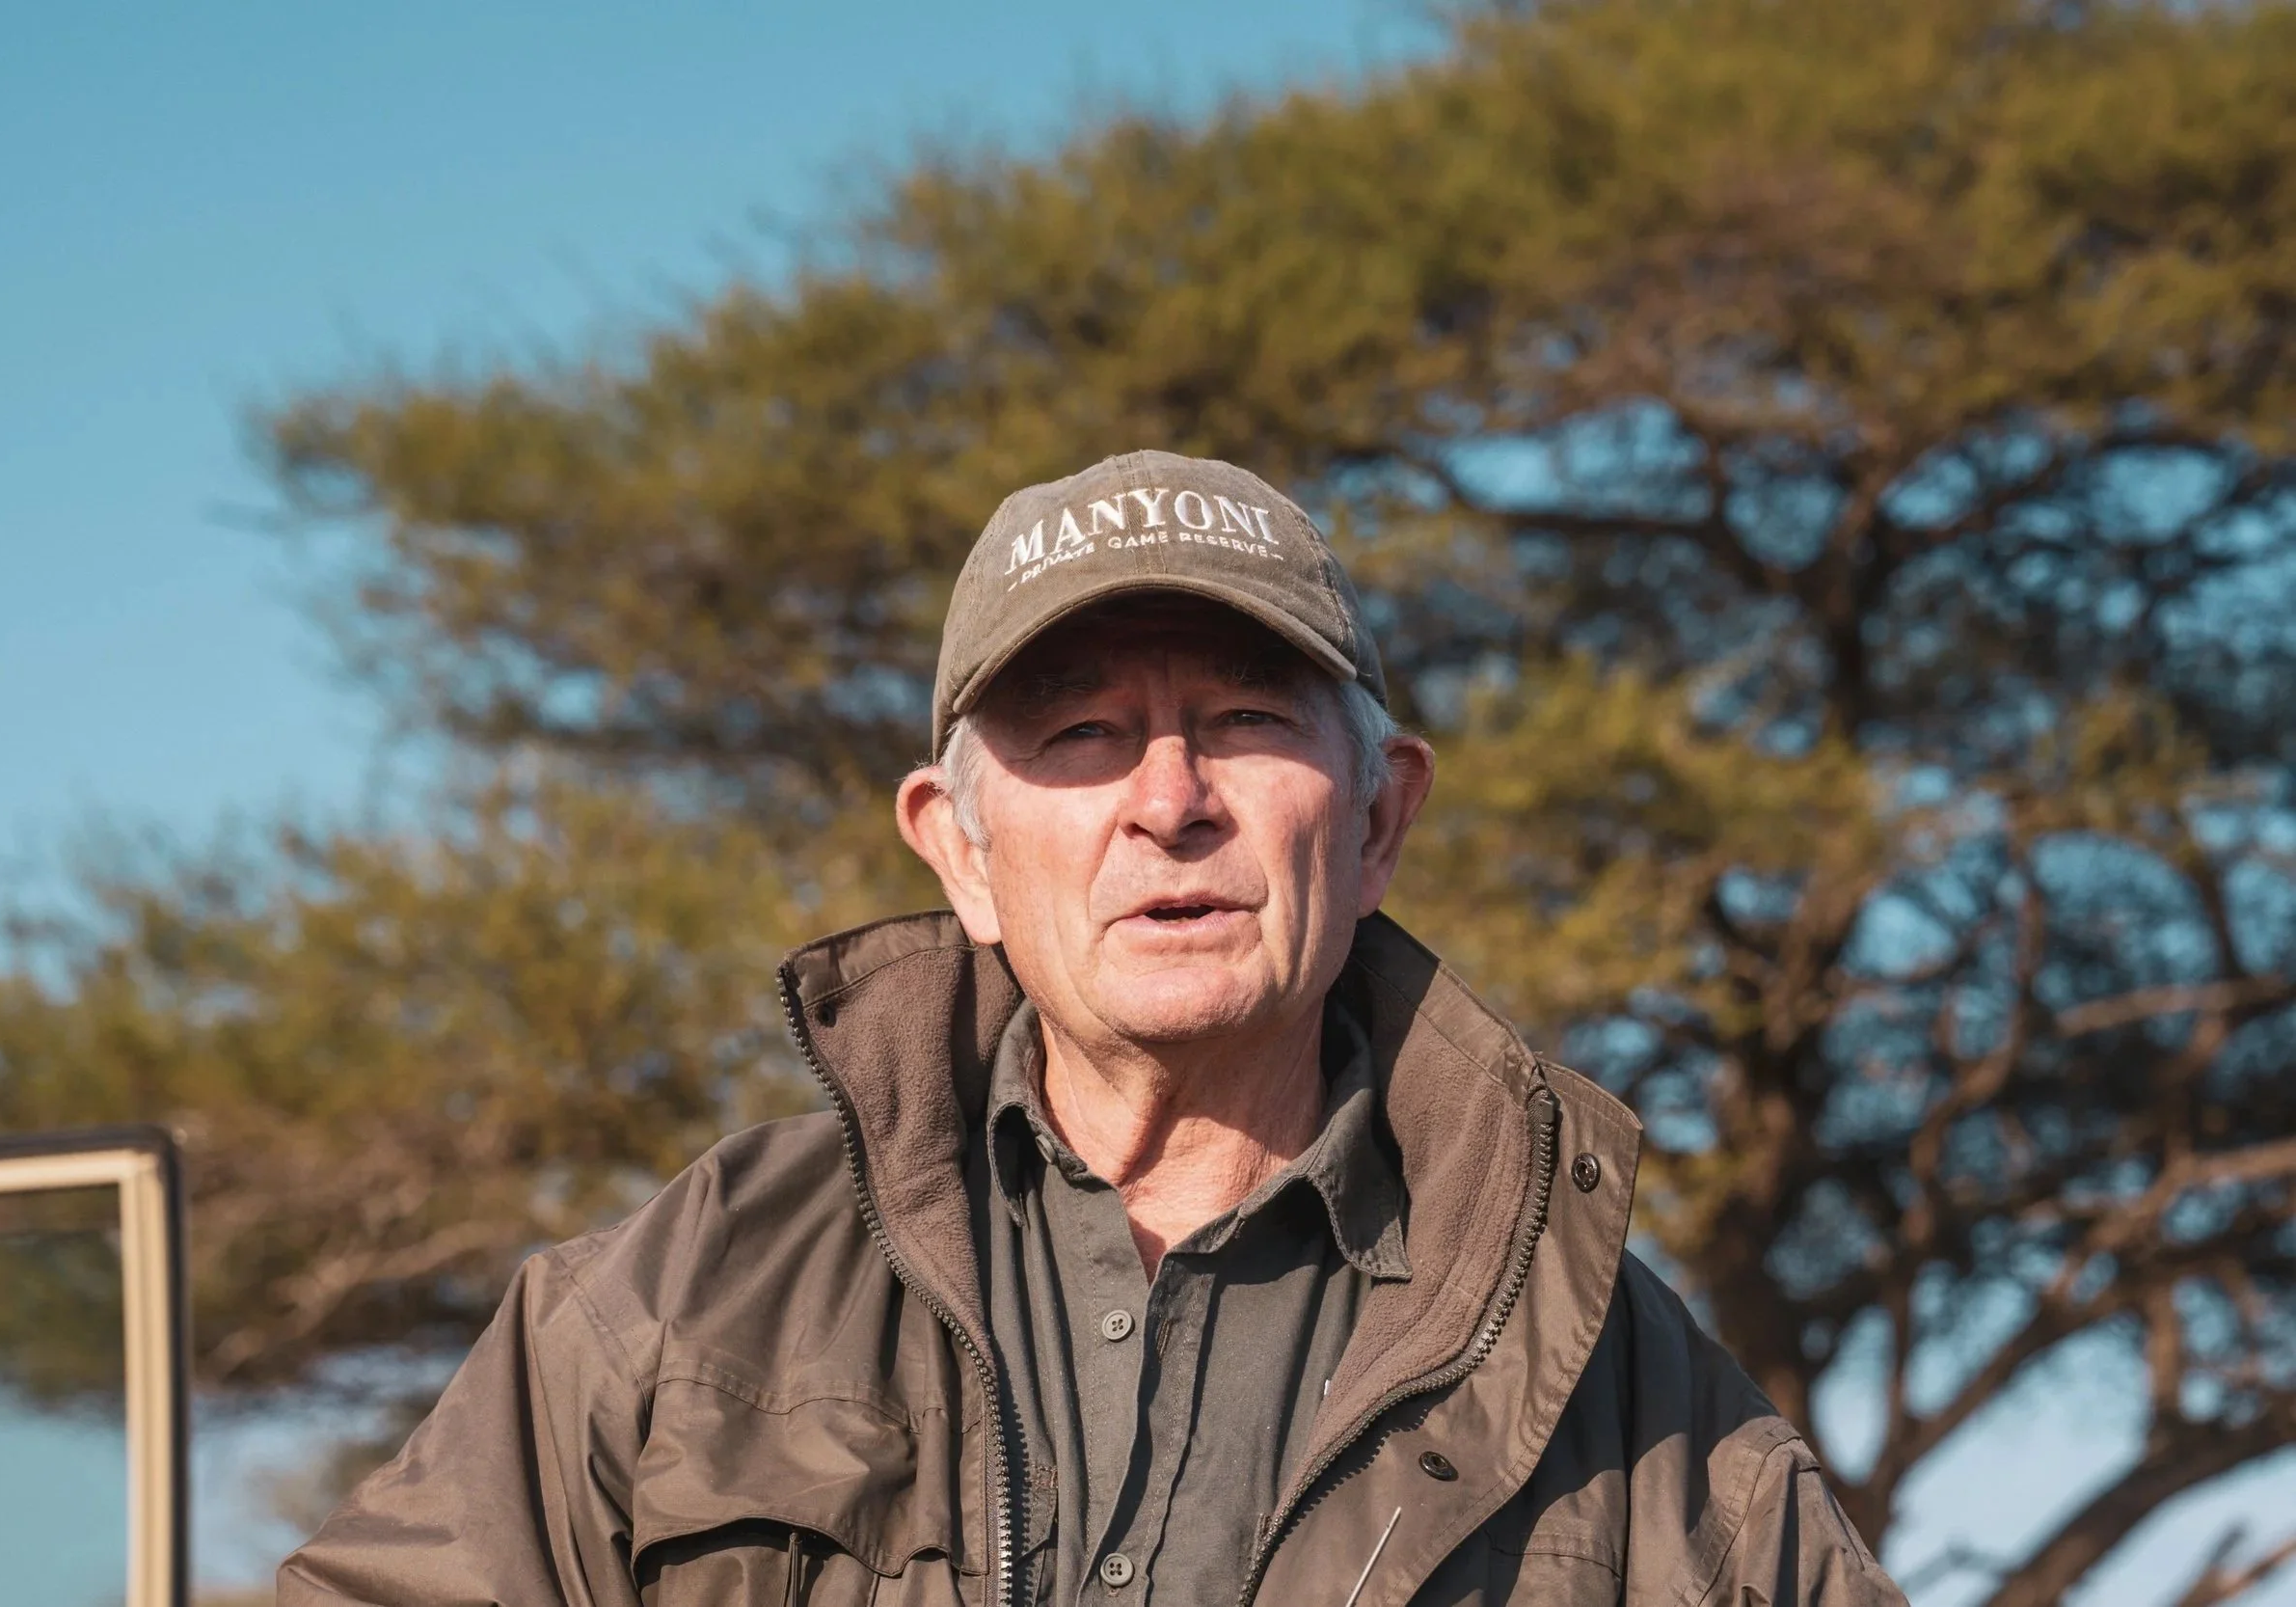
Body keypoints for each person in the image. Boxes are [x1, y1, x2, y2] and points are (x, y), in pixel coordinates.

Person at [279, 451, 1903, 1607]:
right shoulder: (690, 1292)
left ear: (1378, 820)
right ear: (960, 850)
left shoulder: (1623, 1389)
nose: (1170, 798)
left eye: (1246, 716)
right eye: (1080, 732)